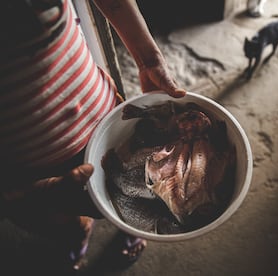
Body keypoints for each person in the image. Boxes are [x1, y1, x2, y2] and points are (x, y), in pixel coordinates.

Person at [0, 0, 185, 271]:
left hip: (107, 119)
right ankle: (77, 242)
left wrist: (149, 59)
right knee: (65, 222)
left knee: (137, 196)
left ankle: (130, 231)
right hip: (31, 170)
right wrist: (15, 195)